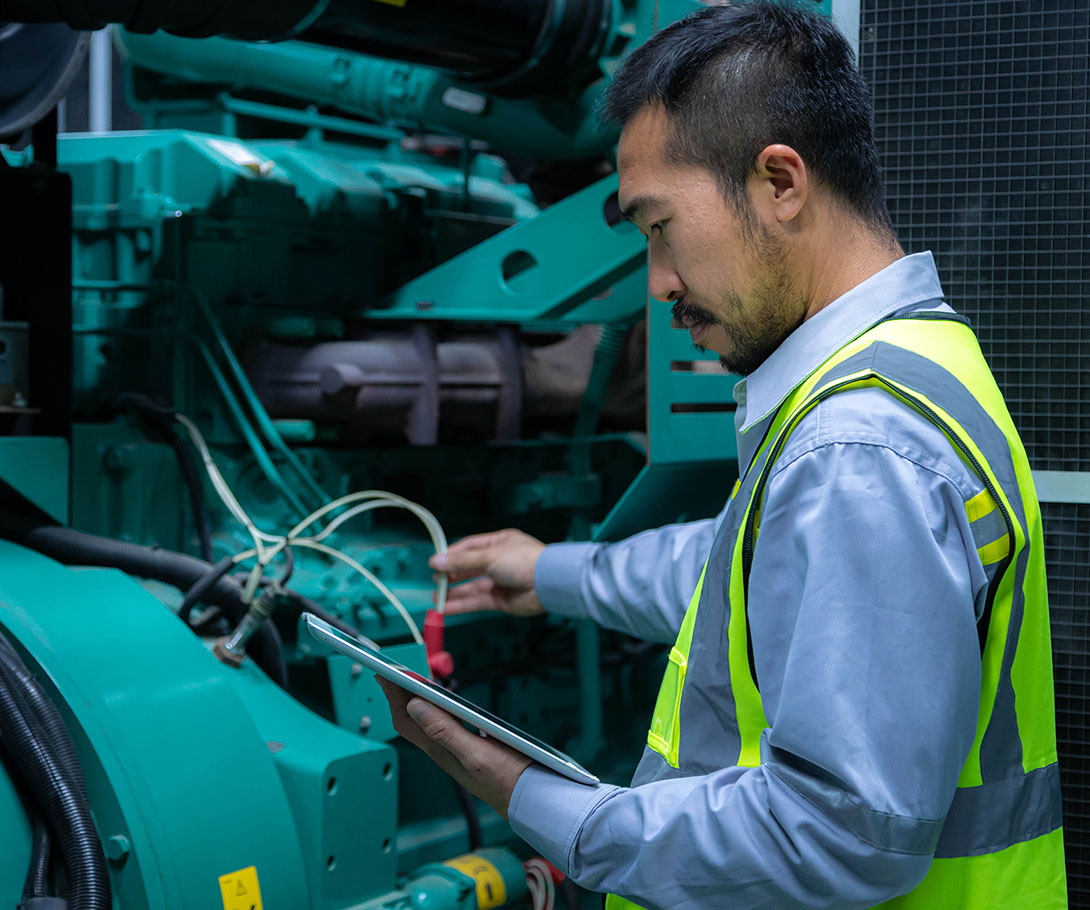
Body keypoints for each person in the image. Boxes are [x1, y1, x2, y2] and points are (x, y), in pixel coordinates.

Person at [377, 3, 1067, 907]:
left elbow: (838, 837)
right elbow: (760, 579)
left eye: (659, 226)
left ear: (780, 181)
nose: (658, 282)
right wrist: (552, 572)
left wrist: (537, 799)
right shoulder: (914, 362)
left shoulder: (857, 446)